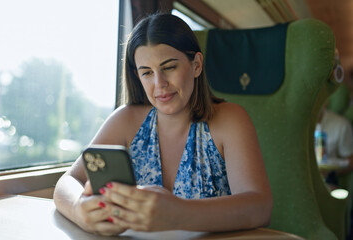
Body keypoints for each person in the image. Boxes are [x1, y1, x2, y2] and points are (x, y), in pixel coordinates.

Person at [53, 13, 272, 236]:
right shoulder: (125, 120)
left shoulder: (230, 119)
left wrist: (178, 213)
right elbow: (68, 181)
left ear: (196, 65)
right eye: (147, 72)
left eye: (169, 67)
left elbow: (259, 207)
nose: (160, 84)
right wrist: (79, 209)